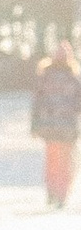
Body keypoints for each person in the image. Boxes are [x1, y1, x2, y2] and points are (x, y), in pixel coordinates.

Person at [33, 39, 80, 209]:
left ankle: (54, 192)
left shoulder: (47, 76)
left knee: (55, 161)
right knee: (63, 162)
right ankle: (59, 193)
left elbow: (37, 102)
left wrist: (35, 125)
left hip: (53, 128)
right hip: (64, 128)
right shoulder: (72, 77)